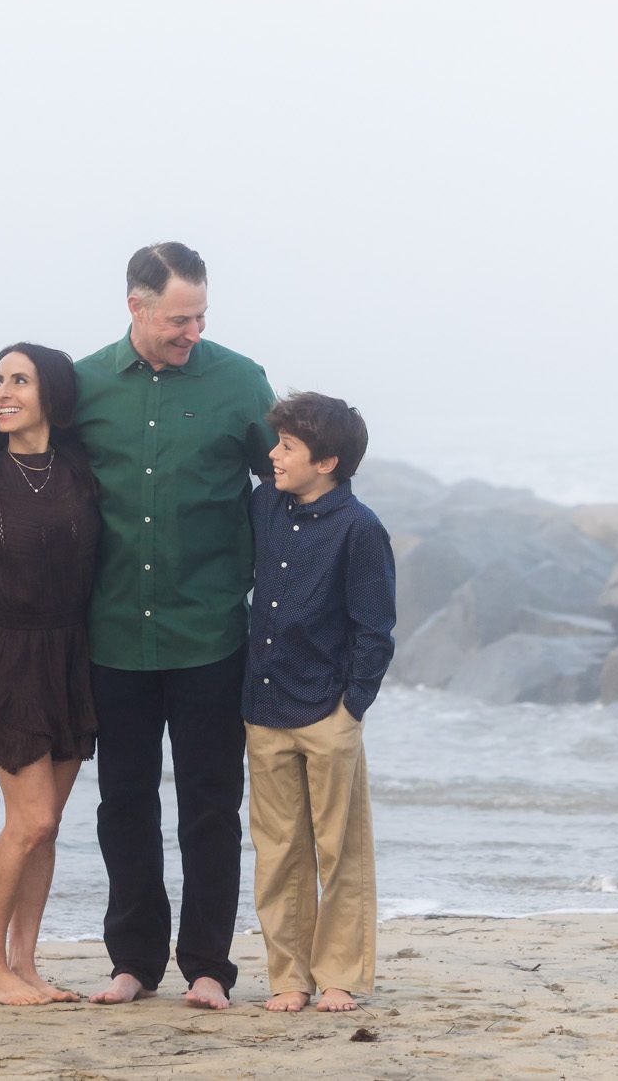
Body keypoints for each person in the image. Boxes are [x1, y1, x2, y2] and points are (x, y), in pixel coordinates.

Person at [73, 242, 276, 1010]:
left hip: (211, 632)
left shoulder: (239, 380)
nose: (191, 331)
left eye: (200, 317)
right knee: (123, 800)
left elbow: (284, 479)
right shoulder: (86, 384)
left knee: (210, 805)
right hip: (113, 632)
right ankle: (132, 960)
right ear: (137, 306)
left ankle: (207, 967)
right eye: (177, 318)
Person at [0, 343, 102, 1006]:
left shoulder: (82, 468)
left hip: (73, 652)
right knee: (30, 819)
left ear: (52, 394)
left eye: (20, 380)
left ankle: (25, 962)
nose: (3, 392)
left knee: (51, 822)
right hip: (6, 652)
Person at [243, 393, 397, 1014]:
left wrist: (351, 708)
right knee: (277, 852)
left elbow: (375, 630)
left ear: (327, 461)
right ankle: (289, 977)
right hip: (263, 706)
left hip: (328, 712)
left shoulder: (361, 529)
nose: (273, 456)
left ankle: (340, 975)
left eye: (287, 447)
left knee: (340, 850)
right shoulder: (263, 506)